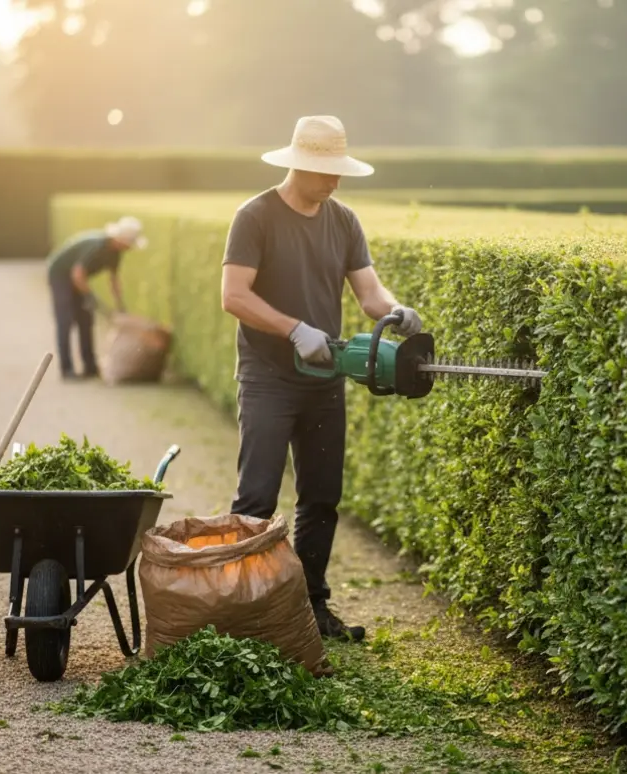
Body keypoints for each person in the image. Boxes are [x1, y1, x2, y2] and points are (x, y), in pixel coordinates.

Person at [219, 115, 422, 642]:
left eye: (339, 172)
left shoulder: (344, 220)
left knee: (321, 499)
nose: (335, 181)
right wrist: (292, 330)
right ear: (299, 164)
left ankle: (311, 608)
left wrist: (396, 312)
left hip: (324, 379)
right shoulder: (255, 216)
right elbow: (233, 296)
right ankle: (247, 614)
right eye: (325, 171)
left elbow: (369, 295)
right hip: (268, 377)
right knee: (256, 498)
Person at [44, 216, 147, 380]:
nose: (130, 247)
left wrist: (120, 306)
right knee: (66, 320)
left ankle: (90, 366)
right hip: (60, 275)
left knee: (86, 320)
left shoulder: (116, 253)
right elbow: (77, 273)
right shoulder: (98, 246)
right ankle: (67, 369)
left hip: (77, 279)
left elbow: (114, 280)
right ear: (121, 239)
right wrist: (89, 296)